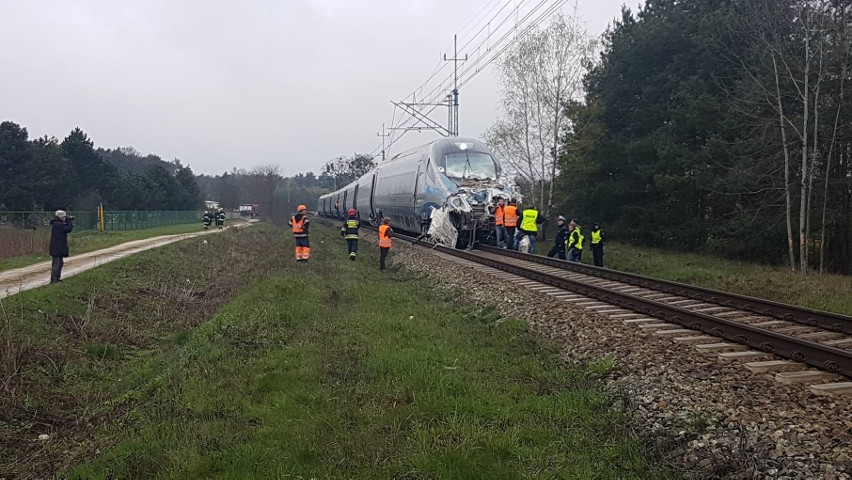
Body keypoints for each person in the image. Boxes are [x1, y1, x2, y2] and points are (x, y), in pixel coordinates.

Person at [49, 210, 74, 284]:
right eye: (63, 216)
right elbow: (68, 229)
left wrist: (67, 221)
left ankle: (57, 278)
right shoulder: (57, 224)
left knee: (60, 263)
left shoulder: (58, 223)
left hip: (58, 247)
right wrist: (69, 221)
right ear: (59, 216)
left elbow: (65, 227)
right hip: (57, 247)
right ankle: (54, 280)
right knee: (56, 264)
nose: (64, 218)